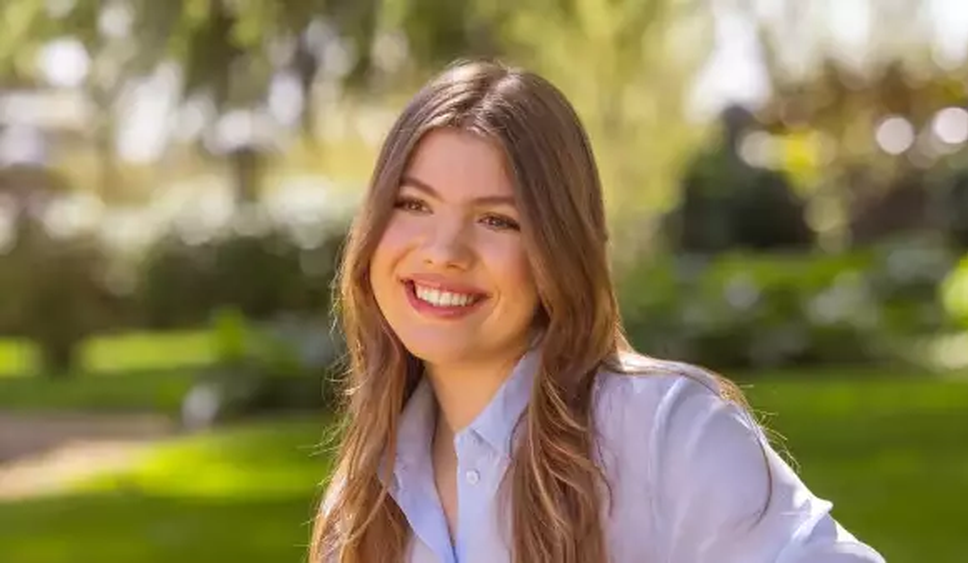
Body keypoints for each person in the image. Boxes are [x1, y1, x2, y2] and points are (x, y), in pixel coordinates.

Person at [309, 59, 885, 563]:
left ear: (557, 246)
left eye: (497, 220)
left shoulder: (666, 431)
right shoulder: (363, 500)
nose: (442, 251)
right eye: (413, 204)